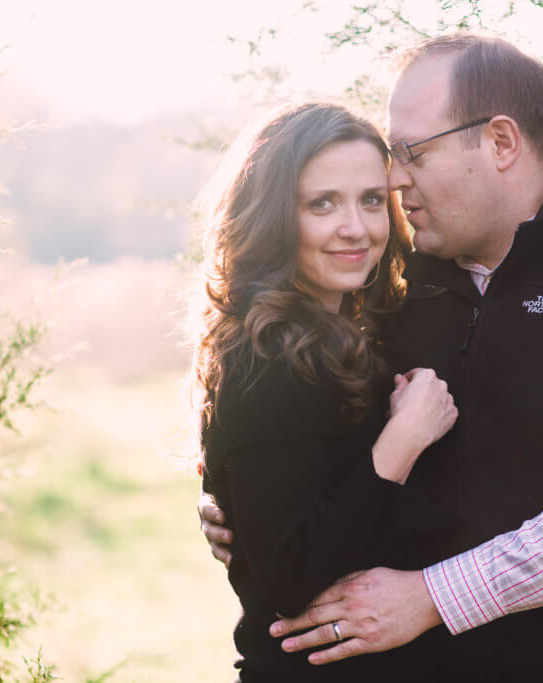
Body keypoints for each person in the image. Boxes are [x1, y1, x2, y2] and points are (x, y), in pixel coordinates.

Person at [200, 34, 543, 682]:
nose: (393, 176)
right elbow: (303, 427)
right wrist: (245, 498)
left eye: (412, 153)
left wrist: (434, 596)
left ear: (500, 142)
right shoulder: (395, 284)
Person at [194, 102, 463, 682]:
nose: (357, 228)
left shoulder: (344, 333)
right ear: (272, 218)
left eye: (371, 199)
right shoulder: (266, 358)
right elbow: (288, 579)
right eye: (323, 204)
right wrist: (403, 440)